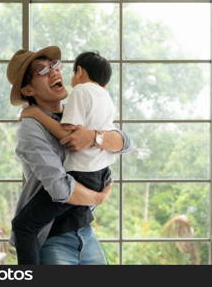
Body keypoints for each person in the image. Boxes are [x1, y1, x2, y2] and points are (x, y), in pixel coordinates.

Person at [7, 46, 132, 265]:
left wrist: (95, 137)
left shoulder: (76, 108)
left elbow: (125, 142)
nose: (55, 72)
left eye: (54, 66)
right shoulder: (31, 129)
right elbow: (60, 188)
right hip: (54, 241)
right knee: (22, 226)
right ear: (27, 90)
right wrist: (97, 197)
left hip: (86, 234)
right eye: (42, 71)